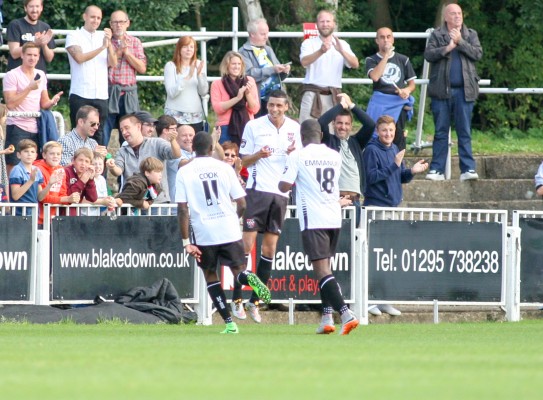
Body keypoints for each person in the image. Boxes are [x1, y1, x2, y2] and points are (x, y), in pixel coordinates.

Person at [176, 131, 271, 334]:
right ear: (211, 149)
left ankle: (229, 323)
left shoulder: (184, 171)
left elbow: (183, 209)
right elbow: (243, 203)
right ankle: (250, 279)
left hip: (204, 232)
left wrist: (186, 241)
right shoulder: (224, 168)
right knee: (238, 271)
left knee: (211, 275)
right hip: (228, 228)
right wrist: (233, 218)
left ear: (193, 148)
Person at [278, 119, 359, 335]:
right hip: (334, 216)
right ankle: (326, 318)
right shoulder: (334, 155)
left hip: (313, 218)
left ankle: (346, 313)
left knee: (322, 271)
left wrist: (289, 164)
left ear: (301, 138)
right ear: (321, 135)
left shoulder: (298, 155)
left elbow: (283, 185)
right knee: (326, 269)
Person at [235, 89, 300, 323]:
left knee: (269, 250)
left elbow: (299, 161)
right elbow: (242, 160)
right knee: (246, 245)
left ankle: (255, 302)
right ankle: (236, 301)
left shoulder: (295, 128)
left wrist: (293, 155)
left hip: (280, 194)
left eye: (279, 106)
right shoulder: (254, 126)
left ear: (286, 106)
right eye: (271, 105)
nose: (274, 110)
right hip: (257, 190)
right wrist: (258, 155)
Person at [363, 115, 428, 315]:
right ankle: (367, 300)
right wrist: (393, 165)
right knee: (371, 256)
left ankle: (383, 298)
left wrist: (412, 171)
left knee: (387, 257)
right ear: (378, 131)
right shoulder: (371, 150)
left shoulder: (393, 149)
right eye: (384, 130)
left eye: (391, 130)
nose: (388, 134)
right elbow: (371, 178)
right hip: (376, 209)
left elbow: (398, 177)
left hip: (393, 208)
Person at [424, 3, 483, 182]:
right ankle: (437, 170)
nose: (457, 16)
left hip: (464, 91)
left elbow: (478, 54)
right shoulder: (436, 34)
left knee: (464, 131)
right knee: (441, 132)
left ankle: (468, 169)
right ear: (446, 17)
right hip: (442, 91)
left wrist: (460, 43)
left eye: (459, 13)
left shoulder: (470, 34)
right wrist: (448, 48)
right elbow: (429, 55)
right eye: (453, 13)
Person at [3, 42, 63, 177]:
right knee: (13, 165)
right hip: (17, 126)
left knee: (35, 166)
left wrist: (52, 102)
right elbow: (10, 104)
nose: (32, 58)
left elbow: (44, 103)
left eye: (35, 55)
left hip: (37, 127)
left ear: (39, 57)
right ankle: (11, 196)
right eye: (29, 54)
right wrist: (29, 88)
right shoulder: (12, 75)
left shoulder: (41, 74)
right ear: (22, 56)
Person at [318, 93, 375, 227]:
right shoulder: (328, 141)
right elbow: (321, 122)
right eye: (339, 123)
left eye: (346, 124)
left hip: (354, 201)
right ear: (334, 123)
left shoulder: (356, 142)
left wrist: (351, 105)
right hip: (334, 199)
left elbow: (370, 125)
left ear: (351, 126)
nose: (343, 127)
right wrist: (341, 106)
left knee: (353, 240)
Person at [66, 5, 116, 146]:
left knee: (99, 133)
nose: (96, 20)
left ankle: (98, 167)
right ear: (85, 17)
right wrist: (101, 47)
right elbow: (79, 58)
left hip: (101, 94)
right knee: (78, 132)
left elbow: (112, 62)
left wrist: (109, 44)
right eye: (93, 17)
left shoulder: (103, 36)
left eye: (99, 18)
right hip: (80, 92)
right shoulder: (74, 35)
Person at [106, 114, 181, 208]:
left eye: (127, 128)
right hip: (133, 206)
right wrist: (112, 167)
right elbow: (118, 171)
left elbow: (176, 154)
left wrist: (173, 141)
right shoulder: (122, 150)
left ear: (138, 127)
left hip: (158, 204)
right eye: (122, 130)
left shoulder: (157, 143)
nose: (124, 132)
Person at [299, 10, 359, 122]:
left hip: (334, 95)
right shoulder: (308, 43)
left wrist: (342, 51)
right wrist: (321, 51)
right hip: (312, 94)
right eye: (322, 21)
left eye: (328, 21)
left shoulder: (343, 44)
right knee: (308, 130)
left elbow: (355, 64)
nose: (325, 24)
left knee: (332, 134)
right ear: (316, 25)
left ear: (334, 24)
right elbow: (304, 62)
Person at [365, 27, 416, 151]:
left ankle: (399, 167)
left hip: (398, 102)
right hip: (379, 102)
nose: (385, 40)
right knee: (376, 135)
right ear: (377, 40)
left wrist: (406, 91)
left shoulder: (403, 59)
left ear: (393, 39)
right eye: (382, 37)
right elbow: (375, 77)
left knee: (398, 137)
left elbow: (412, 84)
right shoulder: (371, 59)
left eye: (388, 37)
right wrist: (386, 55)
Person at [104, 10, 147, 148]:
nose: (118, 25)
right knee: (104, 133)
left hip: (129, 93)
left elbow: (142, 68)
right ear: (110, 24)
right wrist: (118, 51)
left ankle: (129, 168)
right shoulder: (105, 42)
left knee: (130, 136)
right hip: (109, 92)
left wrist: (127, 53)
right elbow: (109, 64)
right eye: (115, 22)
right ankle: (101, 168)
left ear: (127, 23)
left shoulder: (135, 42)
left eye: (121, 22)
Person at [239, 18, 291, 117]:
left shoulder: (268, 49)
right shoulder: (243, 52)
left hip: (276, 98)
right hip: (258, 99)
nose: (266, 37)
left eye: (267, 33)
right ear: (252, 34)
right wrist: (273, 69)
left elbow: (278, 76)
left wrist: (284, 71)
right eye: (263, 34)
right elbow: (249, 74)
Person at [210, 51, 260, 146]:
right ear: (227, 65)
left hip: (247, 125)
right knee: (225, 158)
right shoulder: (217, 84)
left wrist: (247, 94)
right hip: (225, 127)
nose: (237, 66)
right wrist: (237, 98)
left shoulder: (250, 81)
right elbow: (218, 109)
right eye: (233, 64)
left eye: (239, 64)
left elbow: (255, 109)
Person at [164, 36, 208, 133]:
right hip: (175, 115)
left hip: (196, 116)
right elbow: (171, 93)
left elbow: (203, 92)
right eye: (185, 47)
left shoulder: (199, 64)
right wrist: (188, 76)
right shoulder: (170, 66)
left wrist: (199, 75)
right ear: (179, 49)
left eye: (191, 47)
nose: (189, 50)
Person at [33, 141, 79, 226]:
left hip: (54, 218)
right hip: (38, 219)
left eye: (58, 154)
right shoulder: (38, 169)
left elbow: (62, 193)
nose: (55, 156)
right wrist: (67, 199)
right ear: (44, 155)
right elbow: (42, 198)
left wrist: (71, 199)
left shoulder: (61, 170)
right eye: (52, 154)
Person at [6, 0, 56, 72]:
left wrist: (44, 44)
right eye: (31, 6)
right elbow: (14, 53)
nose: (34, 10)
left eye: (37, 6)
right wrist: (34, 42)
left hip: (38, 76)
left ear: (41, 8)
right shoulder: (15, 25)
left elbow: (49, 58)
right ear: (25, 8)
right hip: (18, 76)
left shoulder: (45, 27)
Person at [9, 138, 53, 216]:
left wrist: (49, 184)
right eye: (26, 151)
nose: (29, 154)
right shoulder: (17, 170)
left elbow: (40, 197)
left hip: (33, 213)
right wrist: (31, 180)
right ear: (19, 155)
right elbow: (15, 196)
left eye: (32, 152)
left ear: (36, 156)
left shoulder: (37, 170)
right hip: (20, 214)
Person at [64, 147, 98, 214]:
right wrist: (82, 181)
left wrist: (91, 180)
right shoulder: (66, 171)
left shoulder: (86, 174)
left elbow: (92, 198)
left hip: (76, 214)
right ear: (73, 161)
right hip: (62, 213)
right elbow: (69, 195)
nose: (83, 164)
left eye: (87, 161)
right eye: (80, 160)